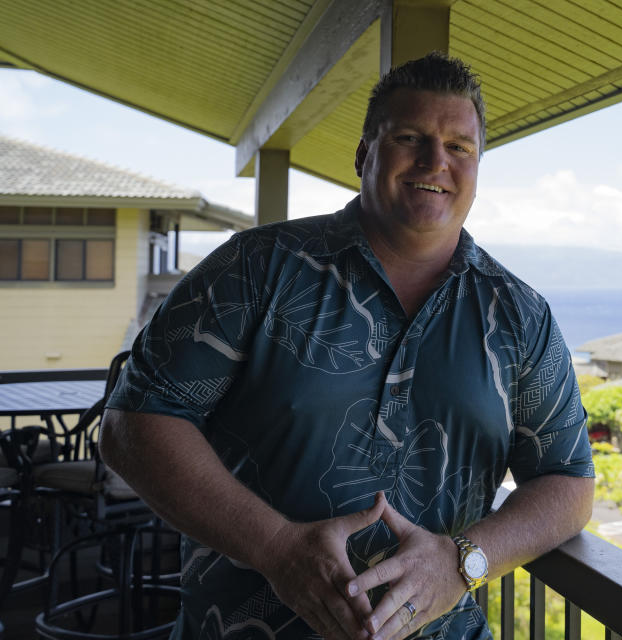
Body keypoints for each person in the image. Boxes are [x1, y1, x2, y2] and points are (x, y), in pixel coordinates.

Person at [101, 52, 594, 640]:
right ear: (364, 154)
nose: (436, 160)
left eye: (459, 146)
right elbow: (135, 423)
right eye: (410, 137)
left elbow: (568, 482)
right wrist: (276, 547)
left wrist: (466, 561)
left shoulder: (518, 315)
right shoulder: (256, 269)